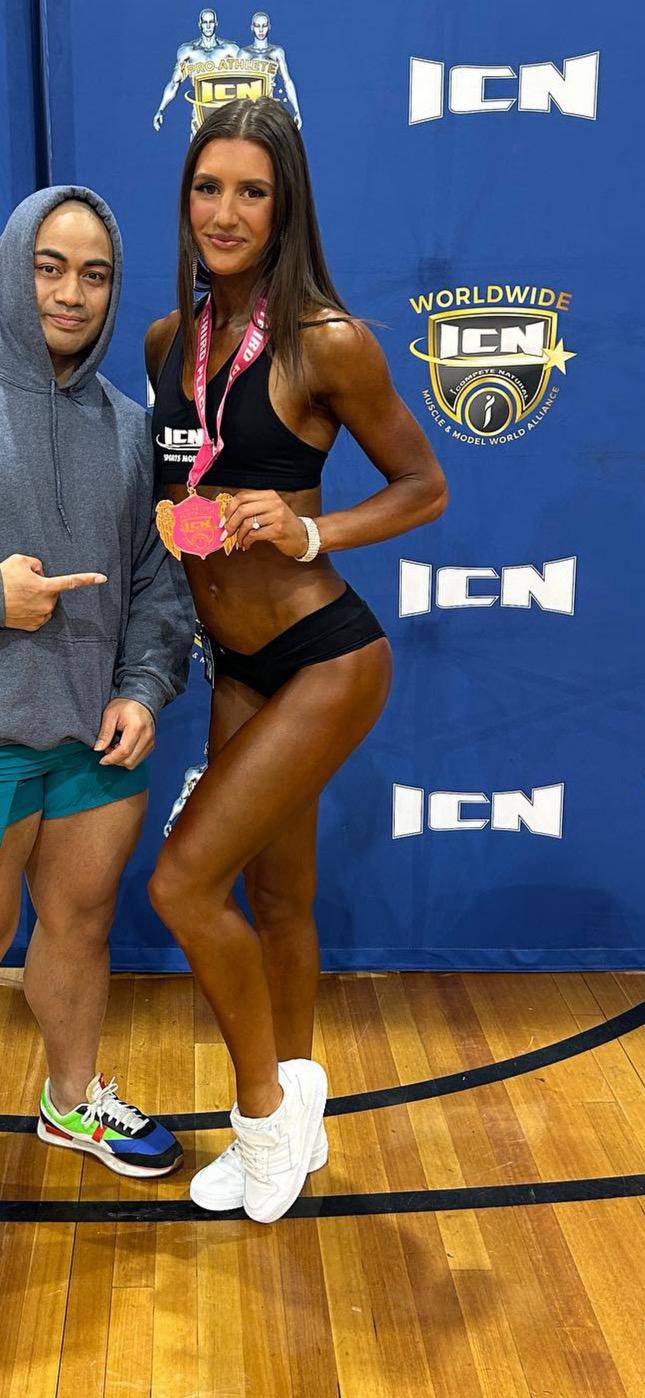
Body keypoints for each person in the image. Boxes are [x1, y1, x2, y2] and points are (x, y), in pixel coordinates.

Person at [145, 98, 448, 1223]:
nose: (225, 213)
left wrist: (311, 530)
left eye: (252, 192)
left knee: (183, 884)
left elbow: (425, 486)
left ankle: (264, 1119)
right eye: (208, 187)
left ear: (286, 209)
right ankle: (300, 1115)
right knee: (278, 895)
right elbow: (179, 501)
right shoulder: (168, 345)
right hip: (238, 663)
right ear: (186, 199)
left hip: (327, 657)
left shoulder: (328, 341)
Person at [0, 187, 195, 1178]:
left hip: (90, 738)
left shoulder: (127, 426)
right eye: (49, 267)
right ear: (13, 269)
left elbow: (159, 581)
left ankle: (72, 1103)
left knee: (78, 924)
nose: (71, 293)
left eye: (94, 274)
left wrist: (143, 687)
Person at [153, 8, 240, 139]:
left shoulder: (230, 49)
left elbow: (246, 78)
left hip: (224, 108)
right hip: (200, 109)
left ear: (216, 23)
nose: (208, 26)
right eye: (205, 22)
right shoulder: (188, 51)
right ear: (200, 24)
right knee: (199, 147)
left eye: (211, 22)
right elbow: (174, 82)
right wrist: (160, 109)